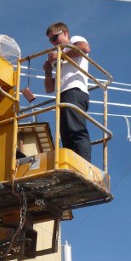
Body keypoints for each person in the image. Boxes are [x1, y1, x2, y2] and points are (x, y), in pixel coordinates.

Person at [42, 22, 92, 162]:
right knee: (65, 135)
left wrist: (60, 56)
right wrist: (47, 71)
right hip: (63, 95)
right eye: (51, 40)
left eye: (55, 38)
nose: (53, 43)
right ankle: (71, 164)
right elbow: (49, 89)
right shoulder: (59, 54)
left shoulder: (73, 41)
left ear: (65, 33)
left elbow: (84, 48)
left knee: (76, 130)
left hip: (75, 90)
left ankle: (84, 165)